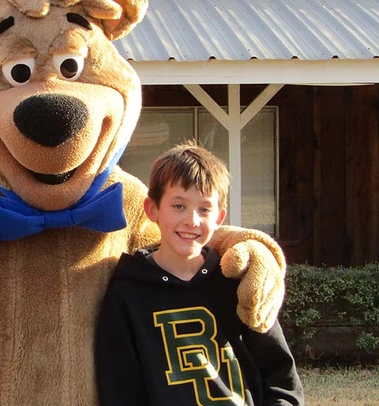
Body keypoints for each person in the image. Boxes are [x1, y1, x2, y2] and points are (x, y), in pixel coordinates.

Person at [95, 143, 304, 406]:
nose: (192, 221)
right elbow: (120, 390)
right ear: (152, 209)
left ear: (220, 217)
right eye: (178, 206)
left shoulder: (237, 281)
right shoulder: (127, 292)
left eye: (204, 209)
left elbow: (281, 378)